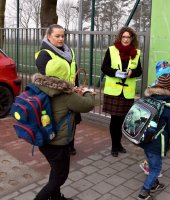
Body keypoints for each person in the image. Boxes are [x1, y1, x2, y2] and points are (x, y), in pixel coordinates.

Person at [32, 69, 95, 200]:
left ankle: (56, 197)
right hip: (58, 143)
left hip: (43, 139)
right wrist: (87, 92)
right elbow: (88, 105)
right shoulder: (66, 95)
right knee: (60, 176)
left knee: (56, 171)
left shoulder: (40, 88)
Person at [35, 24, 80, 156]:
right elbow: (46, 80)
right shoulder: (44, 54)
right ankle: (56, 146)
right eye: (57, 36)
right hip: (56, 96)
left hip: (71, 93)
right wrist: (64, 89)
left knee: (72, 120)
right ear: (49, 37)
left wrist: (76, 88)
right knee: (59, 122)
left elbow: (73, 72)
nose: (61, 39)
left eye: (63, 36)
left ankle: (70, 145)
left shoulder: (69, 51)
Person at [138, 74, 170, 200]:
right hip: (156, 143)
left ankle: (154, 184)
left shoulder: (149, 99)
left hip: (144, 140)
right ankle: (144, 191)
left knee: (152, 161)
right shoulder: (168, 108)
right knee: (156, 168)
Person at [101, 27, 142, 157]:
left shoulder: (136, 52)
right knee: (115, 120)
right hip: (114, 91)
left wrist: (132, 73)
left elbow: (139, 70)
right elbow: (104, 68)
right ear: (120, 38)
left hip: (127, 92)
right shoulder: (112, 50)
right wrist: (115, 73)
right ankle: (114, 145)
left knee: (123, 120)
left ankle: (119, 144)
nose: (125, 40)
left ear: (132, 39)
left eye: (128, 37)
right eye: (123, 37)